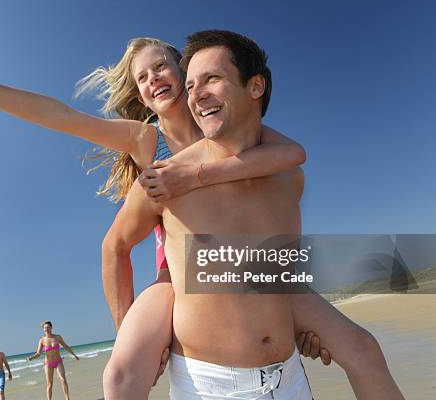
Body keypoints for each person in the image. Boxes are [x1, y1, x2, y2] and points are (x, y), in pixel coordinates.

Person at [0, 22, 400, 399]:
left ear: (186, 72)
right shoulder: (146, 139)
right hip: (172, 271)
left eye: (162, 65)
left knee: (358, 346)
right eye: (141, 78)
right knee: (121, 370)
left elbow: (292, 156)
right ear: (139, 96)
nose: (154, 78)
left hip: (250, 266)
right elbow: (59, 116)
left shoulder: (226, 127)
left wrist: (198, 174)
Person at [102, 30, 404, 399]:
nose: (198, 93)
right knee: (119, 375)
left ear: (255, 87)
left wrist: (293, 325)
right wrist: (127, 332)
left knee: (363, 348)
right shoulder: (164, 180)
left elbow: (275, 268)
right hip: (206, 383)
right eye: (194, 83)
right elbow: (114, 246)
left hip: (288, 379)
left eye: (211, 78)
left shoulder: (287, 176)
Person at [28, 320, 79, 400]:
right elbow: (38, 353)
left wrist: (74, 355)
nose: (46, 329)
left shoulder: (57, 337)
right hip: (48, 364)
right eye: (45, 328)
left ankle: (67, 398)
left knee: (63, 379)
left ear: (51, 328)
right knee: (49, 384)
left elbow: (66, 346)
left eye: (48, 327)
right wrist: (32, 357)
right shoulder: (42, 340)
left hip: (58, 361)